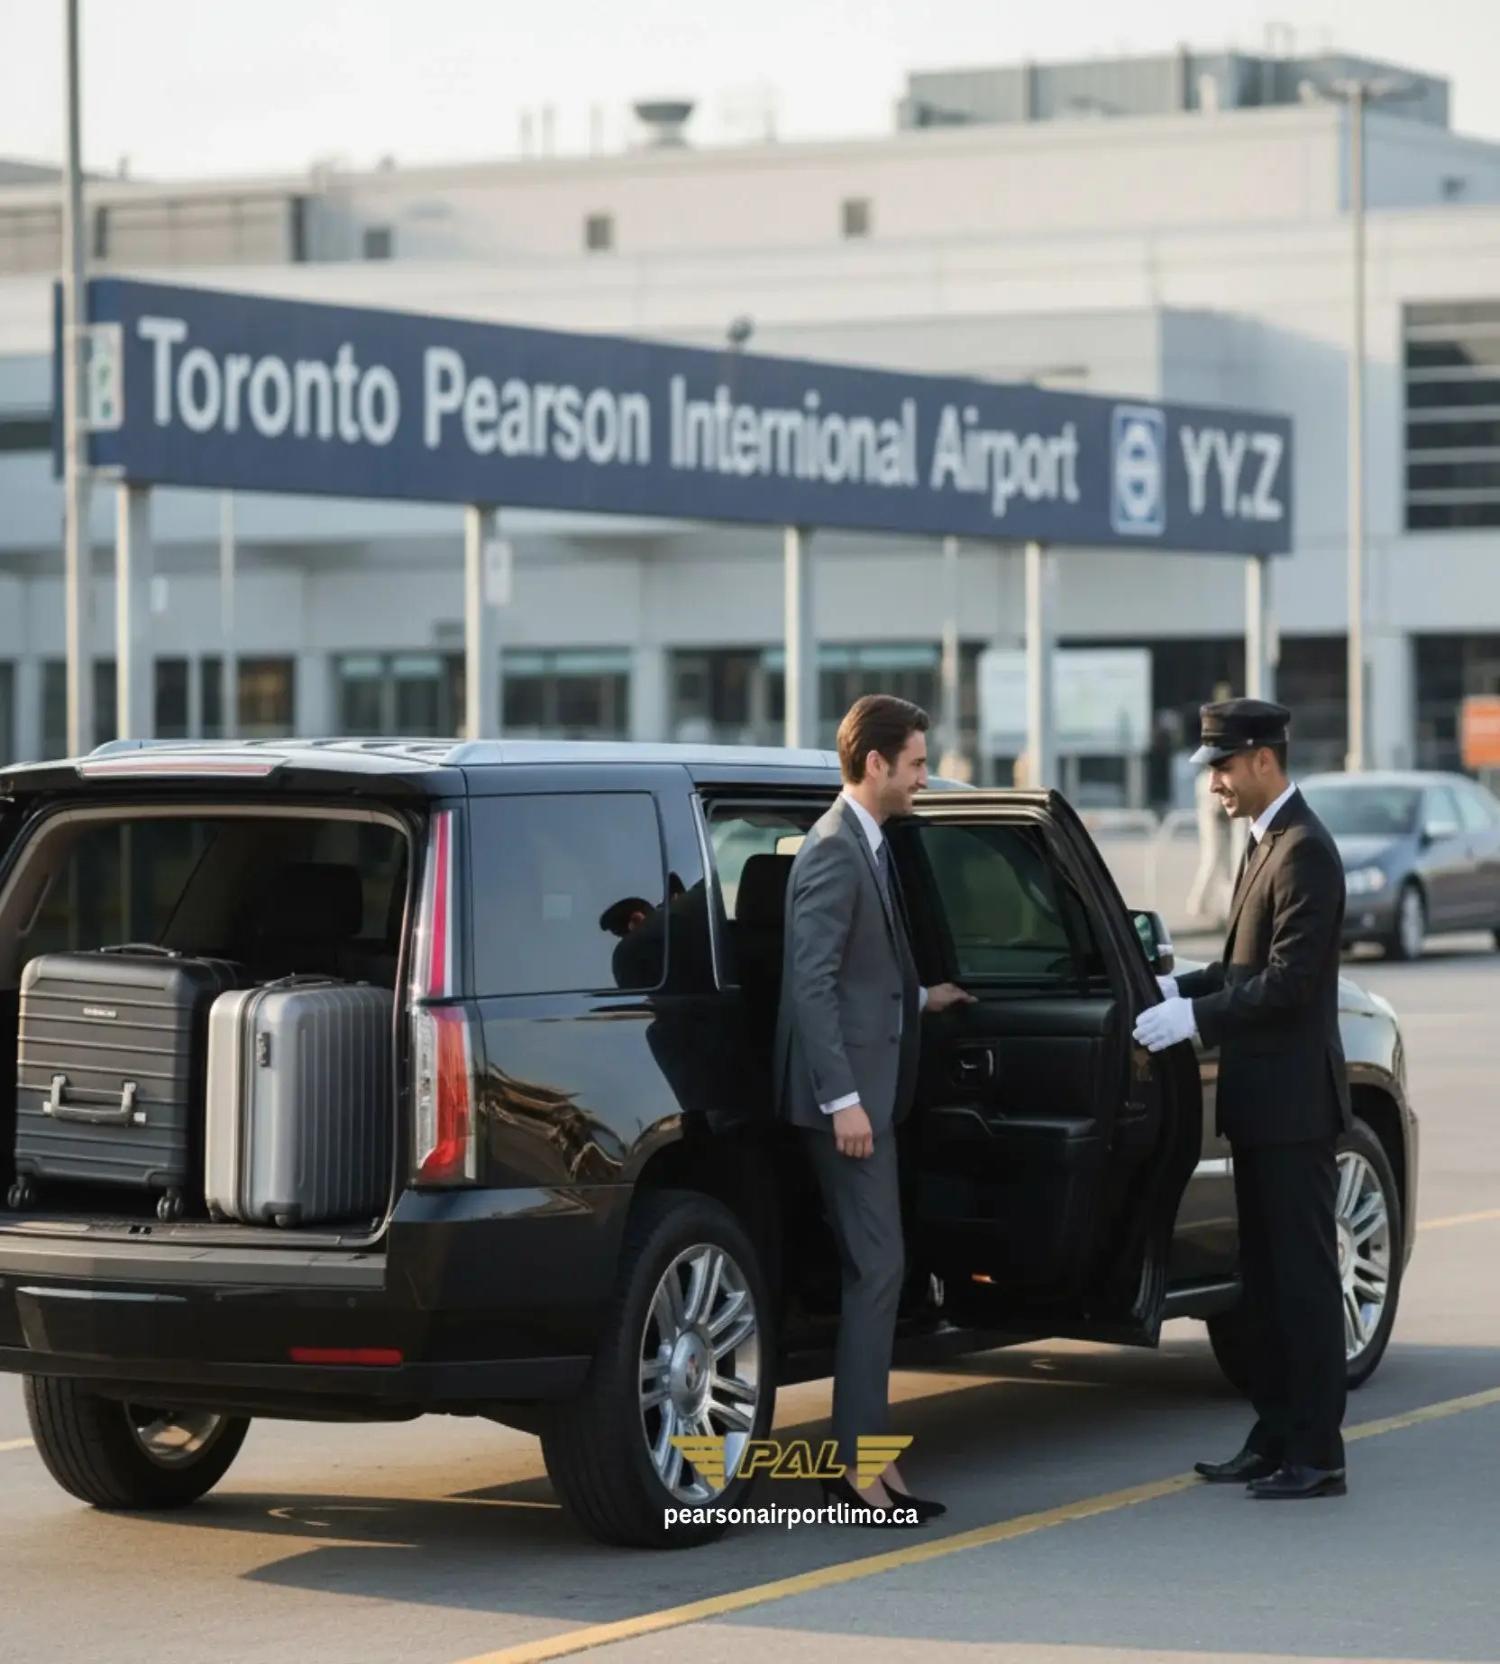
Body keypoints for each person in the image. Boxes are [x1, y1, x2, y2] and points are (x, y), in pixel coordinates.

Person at [1133, 697, 1352, 1501]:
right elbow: (1242, 967)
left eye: (1223, 766)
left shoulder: (1305, 852)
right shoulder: (1266, 843)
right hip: (1263, 1110)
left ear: (1264, 759)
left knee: (1301, 1282)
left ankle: (1318, 1453)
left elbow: (1289, 986)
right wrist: (1174, 984)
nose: (1215, 782)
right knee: (1261, 1283)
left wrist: (1194, 1016)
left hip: (1295, 1112)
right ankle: (1275, 1433)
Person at [774, 693, 975, 1526]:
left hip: (870, 1084)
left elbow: (859, 971)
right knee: (878, 1271)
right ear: (877, 764)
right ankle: (856, 1473)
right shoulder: (831, 852)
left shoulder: (871, 844)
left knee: (880, 1272)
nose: (925, 778)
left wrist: (918, 996)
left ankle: (869, 1465)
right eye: (919, 765)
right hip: (847, 1106)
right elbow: (811, 986)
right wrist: (845, 1101)